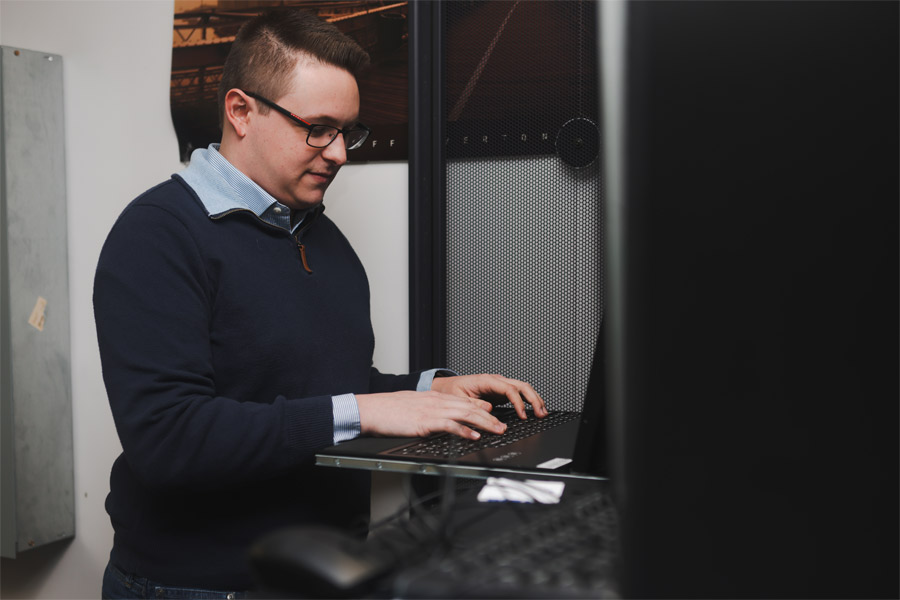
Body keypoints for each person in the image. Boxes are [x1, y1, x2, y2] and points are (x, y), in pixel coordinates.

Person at [94, 8, 546, 598]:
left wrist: (427, 391)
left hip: (322, 571)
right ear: (241, 111)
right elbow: (169, 439)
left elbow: (320, 383)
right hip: (201, 586)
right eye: (319, 127)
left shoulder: (320, 236)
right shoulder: (158, 233)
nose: (339, 154)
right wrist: (366, 409)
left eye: (348, 131)